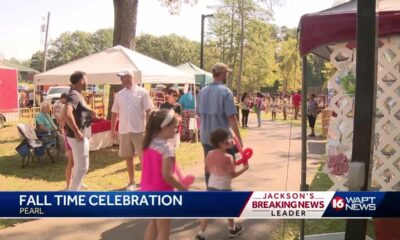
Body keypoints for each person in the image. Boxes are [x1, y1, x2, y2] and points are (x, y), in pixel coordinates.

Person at [196, 63, 243, 240]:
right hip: (223, 139)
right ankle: (227, 213)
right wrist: (238, 141)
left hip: (207, 138)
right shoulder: (225, 92)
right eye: (226, 73)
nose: (227, 76)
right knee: (226, 173)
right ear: (222, 74)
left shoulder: (202, 92)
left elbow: (199, 115)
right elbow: (232, 118)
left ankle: (211, 206)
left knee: (211, 170)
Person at [141, 109, 187, 240]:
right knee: (164, 228)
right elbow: (167, 175)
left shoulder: (148, 143)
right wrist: (181, 187)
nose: (176, 130)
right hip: (162, 193)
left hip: (147, 191)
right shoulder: (167, 148)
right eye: (174, 127)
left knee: (154, 223)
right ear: (164, 127)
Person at [199, 128, 248, 239]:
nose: (231, 141)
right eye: (228, 139)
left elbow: (206, 169)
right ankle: (232, 229)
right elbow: (232, 175)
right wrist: (245, 168)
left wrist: (216, 172)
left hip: (212, 185)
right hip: (224, 187)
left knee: (208, 210)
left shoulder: (210, 153)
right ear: (221, 143)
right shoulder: (228, 157)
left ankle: (201, 233)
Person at [111, 70, 153, 191]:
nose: (121, 80)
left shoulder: (142, 92)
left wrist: (149, 127)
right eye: (120, 78)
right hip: (124, 131)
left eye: (122, 77)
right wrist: (112, 130)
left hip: (140, 130)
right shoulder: (119, 94)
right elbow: (114, 113)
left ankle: (147, 181)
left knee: (143, 157)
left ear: (130, 77)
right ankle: (131, 182)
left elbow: (148, 110)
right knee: (128, 157)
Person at [63, 71, 96, 191]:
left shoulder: (76, 94)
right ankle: (73, 195)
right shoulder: (74, 95)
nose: (87, 82)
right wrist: (77, 131)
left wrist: (89, 111)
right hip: (77, 136)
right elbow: (67, 113)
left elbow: (73, 112)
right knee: (83, 167)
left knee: (78, 165)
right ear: (81, 80)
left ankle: (78, 186)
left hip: (79, 135)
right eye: (86, 79)